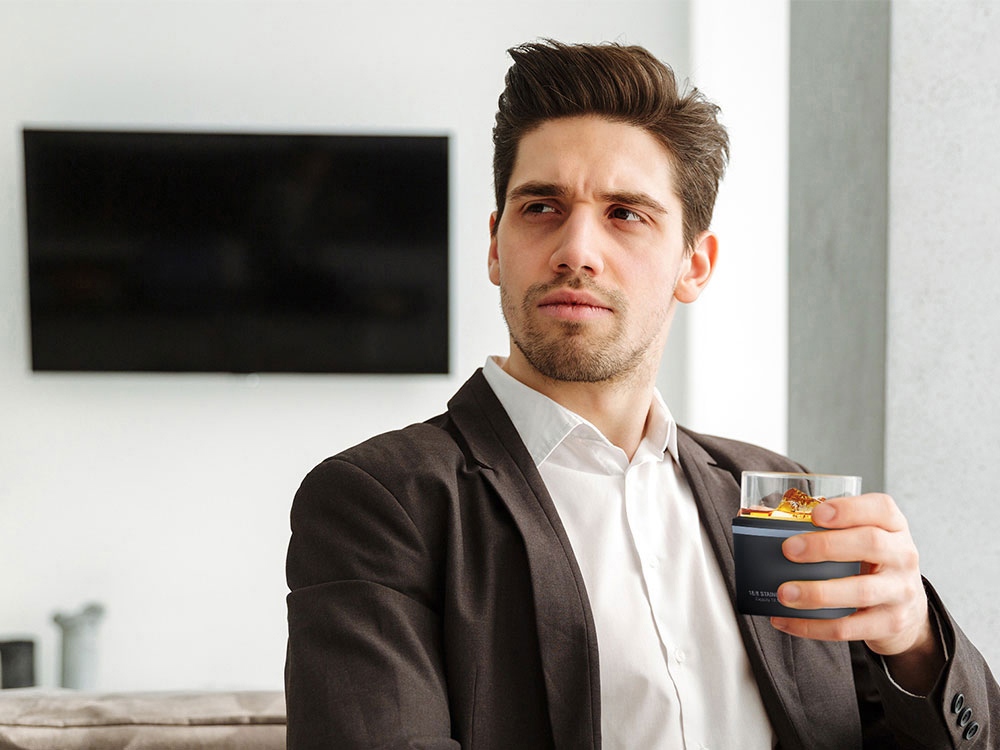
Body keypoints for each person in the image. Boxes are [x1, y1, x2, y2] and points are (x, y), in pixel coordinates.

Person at [285, 40, 998, 749]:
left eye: (626, 213)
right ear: (496, 246)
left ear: (695, 264)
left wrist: (914, 644)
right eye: (542, 207)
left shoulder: (776, 495)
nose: (577, 251)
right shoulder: (381, 501)